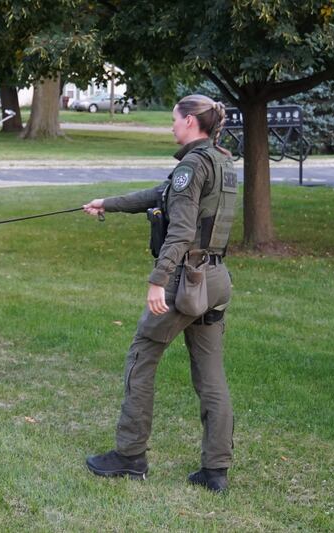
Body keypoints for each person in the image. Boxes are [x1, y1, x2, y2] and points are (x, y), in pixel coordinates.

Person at [83, 94, 237, 492]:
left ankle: (130, 456)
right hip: (215, 278)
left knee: (142, 355)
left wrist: (158, 280)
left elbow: (182, 231)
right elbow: (159, 194)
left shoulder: (191, 165)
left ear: (189, 121)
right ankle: (215, 471)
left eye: (174, 119)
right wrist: (108, 203)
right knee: (211, 375)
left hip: (185, 281)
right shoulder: (221, 160)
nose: (171, 125)